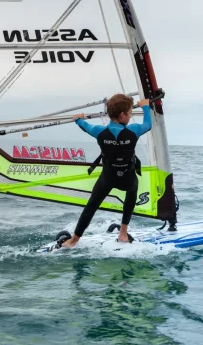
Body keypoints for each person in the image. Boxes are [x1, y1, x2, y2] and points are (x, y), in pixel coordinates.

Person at [61, 94, 152, 247]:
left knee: (92, 205)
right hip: (127, 178)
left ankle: (73, 241)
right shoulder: (134, 131)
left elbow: (85, 126)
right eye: (130, 113)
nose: (130, 117)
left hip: (107, 178)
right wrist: (145, 107)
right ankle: (123, 233)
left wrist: (78, 118)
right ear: (122, 115)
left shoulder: (99, 132)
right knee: (132, 192)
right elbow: (148, 124)